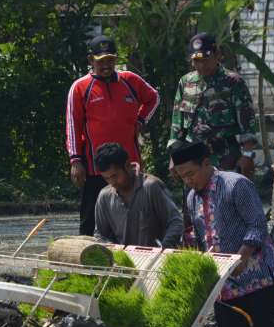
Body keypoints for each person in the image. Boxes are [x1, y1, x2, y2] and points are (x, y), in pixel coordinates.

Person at [170, 140, 274, 327]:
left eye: (191, 174)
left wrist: (241, 258)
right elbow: (199, 234)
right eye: (183, 176)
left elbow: (257, 225)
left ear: (206, 163)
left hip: (255, 275)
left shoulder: (236, 184)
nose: (188, 181)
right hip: (222, 283)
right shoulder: (192, 196)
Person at [66, 35, 159, 236]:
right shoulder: (80, 87)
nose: (106, 65)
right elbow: (72, 125)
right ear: (91, 60)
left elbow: (153, 98)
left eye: (110, 60)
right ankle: (87, 256)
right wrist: (75, 160)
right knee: (91, 216)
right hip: (95, 166)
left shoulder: (130, 80)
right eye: (101, 61)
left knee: (135, 212)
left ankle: (133, 253)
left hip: (129, 163)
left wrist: (141, 120)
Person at [169, 32, 258, 176]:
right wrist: (174, 156)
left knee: (227, 197)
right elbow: (177, 124)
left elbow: (248, 124)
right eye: (197, 61)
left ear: (217, 55)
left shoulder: (233, 82)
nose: (202, 65)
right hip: (193, 161)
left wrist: (247, 155)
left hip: (226, 160)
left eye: (206, 59)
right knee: (196, 198)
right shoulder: (186, 83)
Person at [92, 142, 183, 248]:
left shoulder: (151, 187)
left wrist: (164, 247)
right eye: (106, 178)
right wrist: (114, 250)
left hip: (156, 258)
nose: (112, 182)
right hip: (124, 260)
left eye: (115, 176)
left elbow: (175, 222)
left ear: (127, 165)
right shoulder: (104, 197)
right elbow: (101, 235)